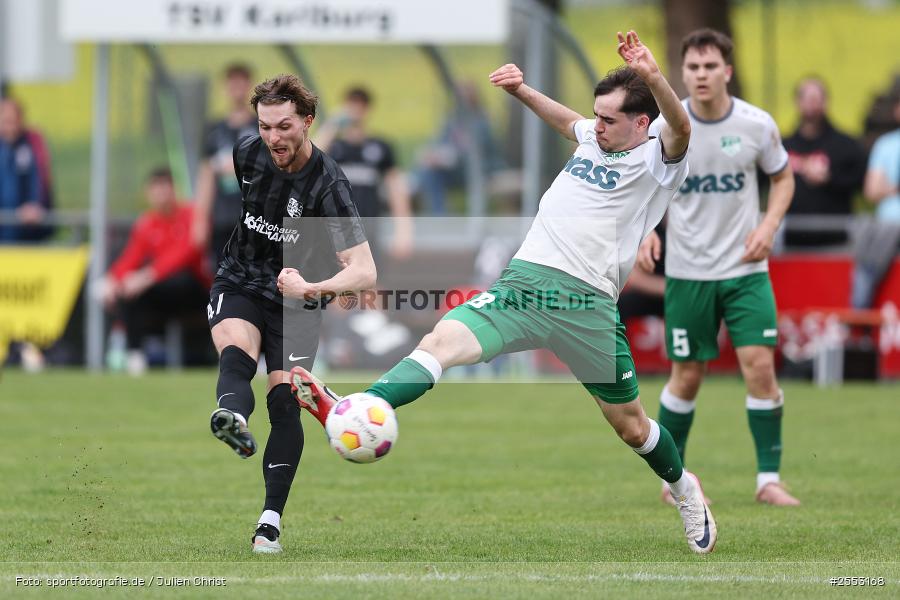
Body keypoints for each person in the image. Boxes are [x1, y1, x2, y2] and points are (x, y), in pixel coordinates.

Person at [292, 31, 717, 555]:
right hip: (524, 284)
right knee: (440, 341)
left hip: (585, 304)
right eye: (597, 116)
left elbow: (682, 126)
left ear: (641, 123)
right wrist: (521, 90)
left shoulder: (659, 158)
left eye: (608, 119)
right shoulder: (595, 137)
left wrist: (653, 75)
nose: (596, 125)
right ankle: (361, 405)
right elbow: (568, 122)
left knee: (631, 428)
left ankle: (684, 488)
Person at [206, 74, 376, 554]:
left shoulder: (329, 184)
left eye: (284, 126)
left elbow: (364, 271)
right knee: (237, 351)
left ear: (308, 121)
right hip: (241, 279)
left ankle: (269, 523)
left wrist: (312, 287)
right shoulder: (247, 152)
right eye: (265, 126)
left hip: (298, 301)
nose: (273, 138)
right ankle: (232, 417)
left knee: (284, 402)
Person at [638, 28, 799, 506]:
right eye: (693, 67)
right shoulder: (666, 126)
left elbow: (783, 178)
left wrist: (768, 225)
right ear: (683, 73)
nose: (701, 74)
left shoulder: (756, 124)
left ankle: (768, 480)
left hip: (746, 272)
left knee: (760, 368)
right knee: (687, 375)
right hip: (688, 273)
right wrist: (645, 229)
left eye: (710, 66)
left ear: (727, 71)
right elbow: (643, 185)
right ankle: (673, 483)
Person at [97, 168, 211, 374]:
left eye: (164, 188)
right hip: (161, 293)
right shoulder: (147, 223)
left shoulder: (192, 215)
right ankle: (134, 355)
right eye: (155, 190)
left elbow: (187, 252)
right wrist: (113, 279)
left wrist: (148, 276)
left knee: (178, 278)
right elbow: (131, 257)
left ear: (173, 189)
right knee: (129, 289)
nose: (160, 195)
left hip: (196, 291)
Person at [314, 86, 413, 260]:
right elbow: (309, 159)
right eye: (352, 103)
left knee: (370, 274)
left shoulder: (381, 147)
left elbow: (396, 190)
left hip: (369, 226)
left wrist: (403, 231)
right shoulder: (334, 147)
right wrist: (332, 125)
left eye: (361, 104)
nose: (356, 109)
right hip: (336, 226)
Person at [783, 77, 866, 247]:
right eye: (807, 98)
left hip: (836, 240)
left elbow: (862, 184)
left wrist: (830, 179)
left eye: (816, 99)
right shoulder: (783, 147)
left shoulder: (846, 145)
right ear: (797, 102)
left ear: (826, 102)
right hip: (792, 241)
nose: (812, 105)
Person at [193, 64, 259, 266]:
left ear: (249, 86)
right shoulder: (214, 129)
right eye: (233, 83)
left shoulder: (261, 126)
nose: (237, 88)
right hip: (222, 218)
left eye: (242, 82)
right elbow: (206, 175)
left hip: (254, 218)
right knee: (222, 272)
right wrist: (200, 219)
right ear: (225, 87)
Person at [412, 81, 504, 214]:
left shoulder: (481, 122)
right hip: (456, 171)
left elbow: (477, 154)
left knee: (430, 171)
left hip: (480, 170)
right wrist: (433, 155)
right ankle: (439, 215)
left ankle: (442, 213)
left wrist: (450, 158)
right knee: (430, 171)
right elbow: (440, 143)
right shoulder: (452, 122)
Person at [852, 94, 900, 308]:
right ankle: (858, 316)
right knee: (867, 260)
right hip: (888, 226)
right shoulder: (886, 144)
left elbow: (879, 188)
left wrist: (889, 188)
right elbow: (871, 191)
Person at [0, 98, 53, 243]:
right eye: (7, 121)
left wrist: (34, 205)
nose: (11, 127)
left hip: (26, 229)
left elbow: (39, 180)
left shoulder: (31, 145)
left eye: (14, 121)